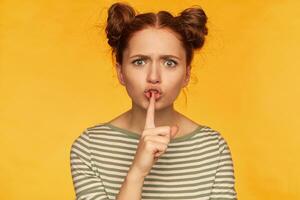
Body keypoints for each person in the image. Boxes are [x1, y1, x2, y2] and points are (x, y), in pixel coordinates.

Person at [70, 2, 237, 200]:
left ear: (186, 75)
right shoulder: (89, 147)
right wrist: (137, 173)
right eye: (139, 61)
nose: (154, 76)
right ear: (121, 72)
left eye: (169, 63)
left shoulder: (213, 149)